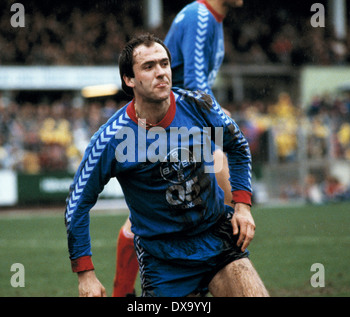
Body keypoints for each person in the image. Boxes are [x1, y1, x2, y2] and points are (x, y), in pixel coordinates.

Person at [65, 34, 268, 297]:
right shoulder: (111, 139)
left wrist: (242, 205)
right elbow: (77, 204)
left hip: (217, 240)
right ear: (129, 80)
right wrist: (86, 275)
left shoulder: (198, 106)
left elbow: (237, 145)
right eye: (148, 67)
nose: (160, 72)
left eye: (164, 64)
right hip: (163, 260)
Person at [112, 0, 244, 297]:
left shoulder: (210, 18)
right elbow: (197, 85)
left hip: (186, 123)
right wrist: (220, 120)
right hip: (180, 125)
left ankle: (125, 292)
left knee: (155, 215)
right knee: (226, 201)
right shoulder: (200, 16)